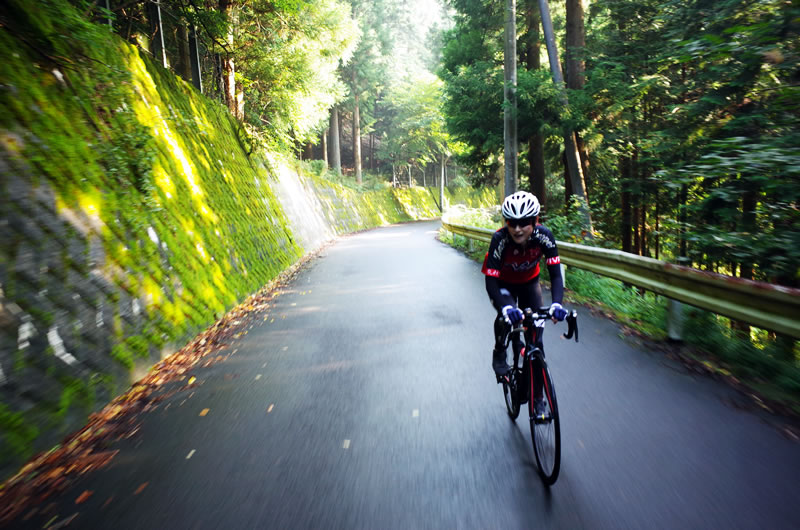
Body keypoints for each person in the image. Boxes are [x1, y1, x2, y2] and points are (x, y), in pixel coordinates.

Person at [481, 191, 567, 418]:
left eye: (524, 223)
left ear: (535, 222)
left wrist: (557, 304)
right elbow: (490, 280)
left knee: (536, 342)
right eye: (512, 223)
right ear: (506, 222)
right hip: (503, 285)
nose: (518, 229)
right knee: (506, 316)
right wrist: (505, 308)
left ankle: (538, 399)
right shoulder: (500, 239)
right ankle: (500, 350)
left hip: (530, 283)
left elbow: (556, 276)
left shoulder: (544, 236)